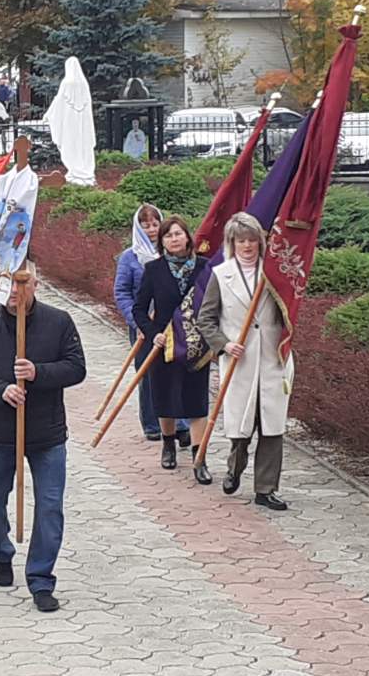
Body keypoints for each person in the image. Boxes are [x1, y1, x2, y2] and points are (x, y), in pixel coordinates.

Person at [0, 270, 85, 613]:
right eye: (9, 284)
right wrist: (1, 390)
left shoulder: (59, 322)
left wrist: (38, 373)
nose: (15, 290)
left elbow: (76, 368)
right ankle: (1, 552)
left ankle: (41, 578)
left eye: (22, 284)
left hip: (47, 433)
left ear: (35, 286)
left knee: (50, 506)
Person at [196, 213, 292, 510]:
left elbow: (291, 309)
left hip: (273, 360)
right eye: (241, 241)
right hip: (240, 361)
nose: (247, 246)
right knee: (242, 426)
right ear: (232, 243)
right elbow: (206, 319)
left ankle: (265, 488)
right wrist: (224, 344)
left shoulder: (275, 273)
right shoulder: (221, 274)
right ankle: (234, 468)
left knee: (272, 426)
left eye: (252, 240)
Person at [133, 216, 213, 483]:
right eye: (168, 236)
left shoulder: (204, 268)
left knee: (197, 400)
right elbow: (139, 308)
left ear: (188, 237)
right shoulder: (154, 269)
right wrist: (153, 334)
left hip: (196, 344)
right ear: (162, 242)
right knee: (164, 395)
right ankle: (168, 444)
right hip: (164, 344)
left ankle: (199, 457)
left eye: (178, 234)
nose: (174, 239)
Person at [113, 203, 189, 443]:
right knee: (148, 373)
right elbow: (122, 292)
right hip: (144, 324)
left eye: (156, 224)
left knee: (178, 370)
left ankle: (181, 423)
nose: (151, 229)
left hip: (174, 324)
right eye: (146, 225)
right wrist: (137, 322)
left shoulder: (172, 255)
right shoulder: (130, 257)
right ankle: (152, 423)